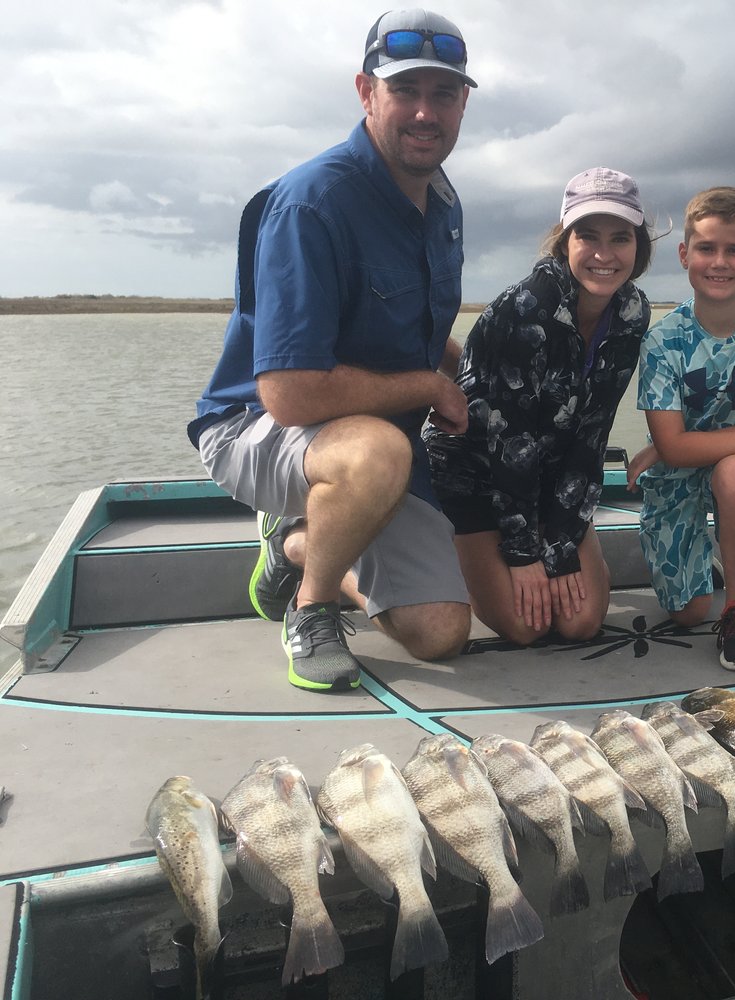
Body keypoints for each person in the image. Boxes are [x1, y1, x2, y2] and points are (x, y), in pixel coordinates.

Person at [187, 9, 478, 691]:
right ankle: (310, 609)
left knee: (439, 635)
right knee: (378, 450)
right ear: (364, 91)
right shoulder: (310, 203)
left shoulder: (441, 199)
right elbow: (290, 395)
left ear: (464, 102)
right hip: (256, 428)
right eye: (405, 90)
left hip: (372, 442)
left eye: (443, 93)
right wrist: (431, 390)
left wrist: (462, 371)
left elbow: (416, 327)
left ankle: (292, 544)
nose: (424, 112)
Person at [426, 167, 654, 645]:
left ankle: (499, 563)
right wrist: (525, 554)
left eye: (620, 238)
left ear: (639, 246)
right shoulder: (526, 308)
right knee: (527, 629)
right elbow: (510, 444)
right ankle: (448, 547)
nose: (604, 254)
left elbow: (593, 432)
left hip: (552, 482)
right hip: (477, 472)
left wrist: (563, 542)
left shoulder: (632, 312)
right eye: (587, 236)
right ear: (564, 240)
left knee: (579, 623)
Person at [629, 186, 735, 671]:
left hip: (728, 468)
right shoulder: (662, 341)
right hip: (677, 470)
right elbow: (677, 445)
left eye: (734, 250)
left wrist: (679, 445)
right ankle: (712, 563)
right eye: (706, 248)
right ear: (685, 254)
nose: (719, 261)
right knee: (686, 614)